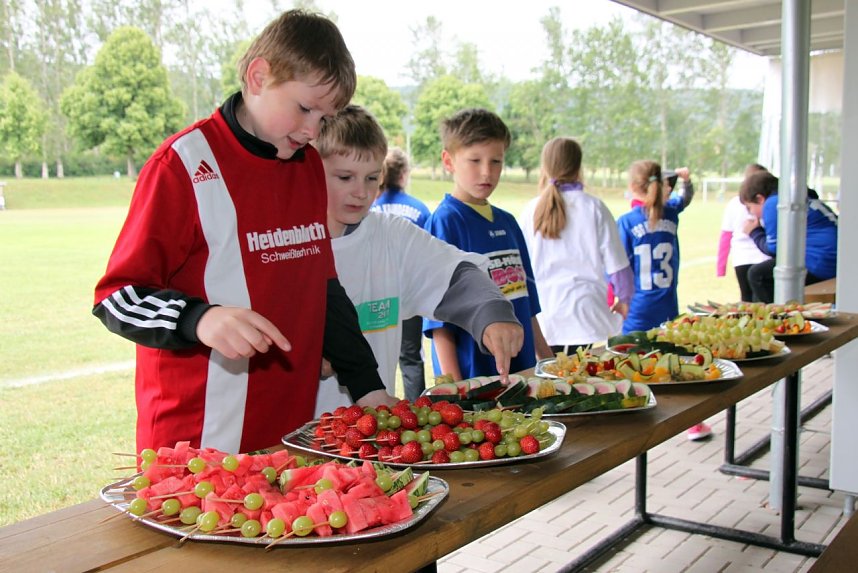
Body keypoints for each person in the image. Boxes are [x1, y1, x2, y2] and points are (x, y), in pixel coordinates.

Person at [91, 10, 397, 456]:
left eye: (325, 118)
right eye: (305, 108)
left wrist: (367, 385)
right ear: (258, 77)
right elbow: (116, 297)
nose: (313, 131)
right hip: (196, 443)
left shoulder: (310, 166)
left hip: (288, 437)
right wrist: (200, 319)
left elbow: (323, 290)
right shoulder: (181, 165)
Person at [312, 105, 523, 416]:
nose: (361, 192)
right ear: (311, 170)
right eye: (345, 177)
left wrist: (492, 312)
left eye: (372, 178)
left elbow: (456, 274)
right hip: (297, 437)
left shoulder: (392, 236)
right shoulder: (284, 242)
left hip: (373, 438)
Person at [423, 108, 552, 381]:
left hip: (523, 374)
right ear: (449, 161)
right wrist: (456, 389)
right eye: (474, 160)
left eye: (496, 161)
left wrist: (549, 363)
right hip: (474, 381)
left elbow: (527, 305)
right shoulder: (445, 222)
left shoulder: (509, 222)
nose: (486, 172)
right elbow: (438, 322)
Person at [617, 161, 708, 441]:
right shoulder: (671, 213)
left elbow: (620, 267)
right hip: (668, 300)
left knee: (621, 359)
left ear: (634, 187)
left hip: (640, 305)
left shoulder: (627, 221)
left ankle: (627, 414)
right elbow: (685, 199)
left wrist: (618, 299)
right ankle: (693, 422)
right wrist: (686, 180)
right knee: (676, 359)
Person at [519, 136, 633, 355]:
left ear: (545, 167)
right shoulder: (594, 207)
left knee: (555, 383)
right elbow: (618, 267)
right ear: (579, 167)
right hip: (588, 317)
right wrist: (624, 300)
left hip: (547, 319)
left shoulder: (530, 210)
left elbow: (523, 271)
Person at [369, 148, 432, 401]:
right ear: (404, 174)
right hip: (409, 294)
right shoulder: (419, 208)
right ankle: (415, 409)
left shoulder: (371, 207)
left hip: (376, 294)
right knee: (410, 357)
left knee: (373, 357)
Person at [740, 170, 838, 303]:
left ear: (760, 198)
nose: (752, 214)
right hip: (833, 261)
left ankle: (779, 317)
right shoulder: (799, 195)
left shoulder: (774, 203)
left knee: (758, 275)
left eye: (749, 207)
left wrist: (755, 232)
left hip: (820, 263)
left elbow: (775, 250)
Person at [716, 164, 771, 301]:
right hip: (747, 258)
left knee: (751, 299)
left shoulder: (766, 205)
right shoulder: (737, 203)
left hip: (755, 257)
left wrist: (721, 267)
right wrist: (720, 266)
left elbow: (725, 236)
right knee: (753, 298)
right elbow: (726, 235)